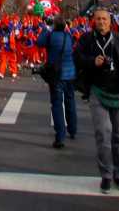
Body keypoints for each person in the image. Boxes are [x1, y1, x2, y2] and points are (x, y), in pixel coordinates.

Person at [74, 8, 119, 194]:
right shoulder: (86, 40)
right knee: (103, 134)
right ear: (93, 21)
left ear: (110, 21)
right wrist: (91, 62)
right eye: (98, 19)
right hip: (98, 91)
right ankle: (106, 175)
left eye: (104, 19)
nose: (101, 22)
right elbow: (77, 59)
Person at [36, 16, 77, 148]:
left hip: (57, 75)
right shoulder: (68, 36)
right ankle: (73, 129)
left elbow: (39, 43)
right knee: (70, 101)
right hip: (70, 74)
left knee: (57, 104)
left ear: (53, 25)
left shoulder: (50, 36)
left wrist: (45, 29)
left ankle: (60, 136)